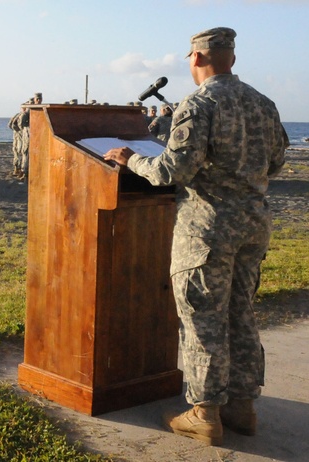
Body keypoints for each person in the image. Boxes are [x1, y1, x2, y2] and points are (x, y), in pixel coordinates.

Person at [103, 27, 288, 446]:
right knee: (240, 313)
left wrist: (130, 158)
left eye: (190, 56)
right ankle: (242, 407)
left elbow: (173, 171)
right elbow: (275, 162)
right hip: (254, 224)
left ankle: (205, 413)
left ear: (199, 58)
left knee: (203, 317)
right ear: (231, 59)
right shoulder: (263, 103)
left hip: (208, 230)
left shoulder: (200, 103)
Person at [7, 106, 26, 178]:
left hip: (19, 136)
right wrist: (19, 131)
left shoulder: (21, 115)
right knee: (18, 151)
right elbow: (11, 125)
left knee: (19, 151)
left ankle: (18, 169)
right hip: (19, 137)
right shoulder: (19, 115)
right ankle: (17, 168)